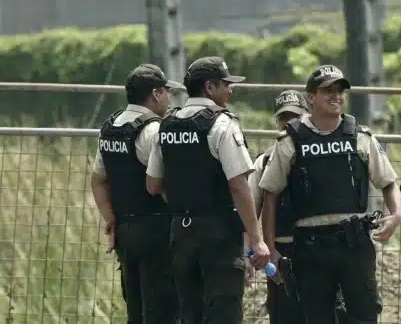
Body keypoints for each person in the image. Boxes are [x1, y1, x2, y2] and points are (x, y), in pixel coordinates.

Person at [259, 65, 401, 324]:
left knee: (364, 315)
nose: (336, 96)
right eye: (328, 90)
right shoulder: (290, 141)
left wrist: (395, 216)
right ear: (311, 97)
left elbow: (389, 183)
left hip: (354, 243)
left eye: (340, 90)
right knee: (317, 317)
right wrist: (270, 248)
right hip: (311, 247)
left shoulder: (359, 136)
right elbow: (270, 195)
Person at [146, 56, 271, 324]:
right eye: (226, 84)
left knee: (190, 313)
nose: (230, 90)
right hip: (219, 235)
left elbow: (153, 184)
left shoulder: (166, 125)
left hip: (180, 233)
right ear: (210, 87)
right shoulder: (222, 124)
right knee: (223, 312)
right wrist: (256, 239)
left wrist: (184, 201)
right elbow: (239, 185)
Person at [91, 64, 182, 324]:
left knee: (136, 311)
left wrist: (110, 219)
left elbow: (97, 180)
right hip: (155, 231)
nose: (169, 98)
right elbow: (164, 182)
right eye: (167, 92)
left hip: (126, 234)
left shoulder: (111, 128)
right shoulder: (152, 131)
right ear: (155, 94)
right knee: (162, 311)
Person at [247, 90, 309, 324]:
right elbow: (251, 210)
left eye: (295, 116)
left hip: (320, 250)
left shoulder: (319, 155)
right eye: (283, 118)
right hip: (283, 254)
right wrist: (255, 250)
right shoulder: (264, 161)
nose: (288, 123)